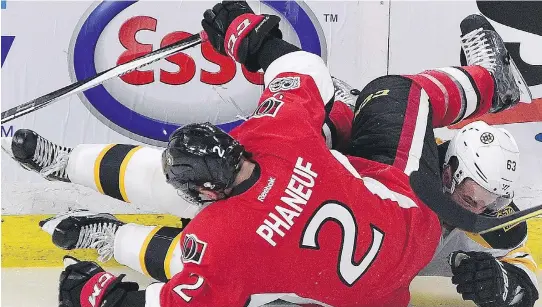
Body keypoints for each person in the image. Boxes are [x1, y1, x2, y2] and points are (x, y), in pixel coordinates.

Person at [3, 2, 537, 305]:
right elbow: (300, 70)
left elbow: (183, 295)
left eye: (486, 199)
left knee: (222, 268)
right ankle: (492, 84)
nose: (477, 201)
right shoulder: (282, 136)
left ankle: (95, 210)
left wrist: (506, 283)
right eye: (473, 191)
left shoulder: (487, 222)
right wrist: (247, 38)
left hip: (370, 268)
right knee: (229, 270)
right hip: (372, 264)